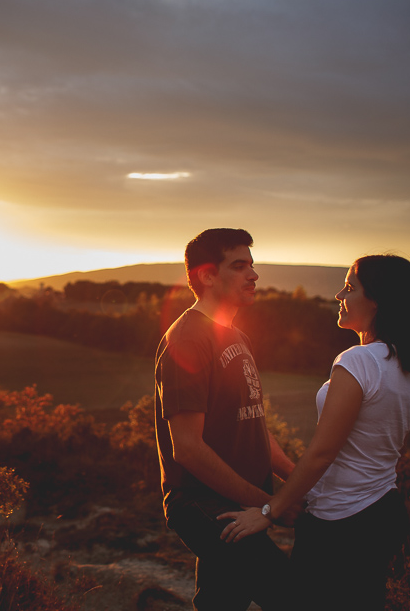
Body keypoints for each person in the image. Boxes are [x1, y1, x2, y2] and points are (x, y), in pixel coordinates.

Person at [220, 254, 410, 610]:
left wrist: (269, 511)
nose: (338, 295)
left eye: (349, 287)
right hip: (383, 512)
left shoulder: (357, 361)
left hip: (341, 523)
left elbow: (322, 452)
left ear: (377, 299)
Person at [154, 228, 300, 611]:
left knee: (222, 604)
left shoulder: (237, 337)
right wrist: (270, 504)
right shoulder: (187, 338)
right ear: (207, 275)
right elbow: (186, 448)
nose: (253, 275)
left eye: (252, 265)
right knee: (294, 598)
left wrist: (295, 481)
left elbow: (253, 426)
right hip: (204, 505)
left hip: (238, 501)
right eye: (239, 266)